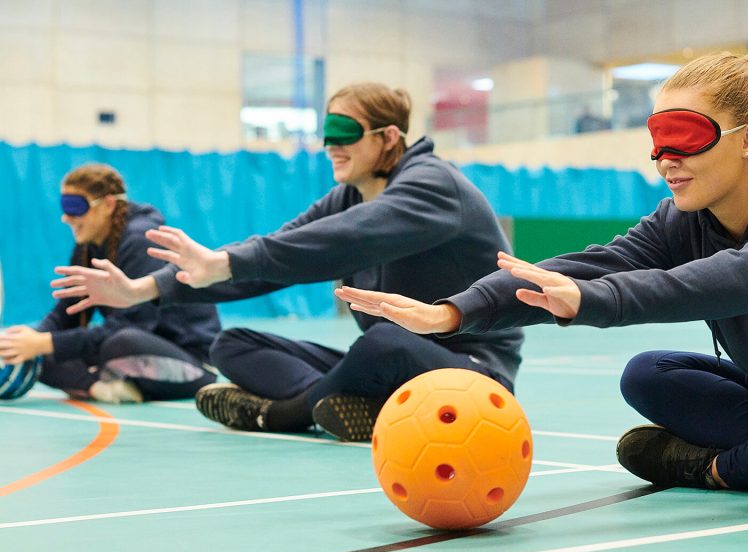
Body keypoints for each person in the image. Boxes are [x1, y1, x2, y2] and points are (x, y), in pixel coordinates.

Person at [333, 52, 748, 507]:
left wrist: (594, 302)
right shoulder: (684, 217)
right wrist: (453, 313)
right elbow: (579, 271)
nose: (664, 156)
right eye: (656, 136)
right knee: (648, 373)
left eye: (683, 134)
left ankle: (723, 468)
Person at [51, 84, 523, 439]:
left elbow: (343, 240)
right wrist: (145, 290)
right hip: (391, 366)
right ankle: (350, 405)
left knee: (384, 341)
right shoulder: (346, 196)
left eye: (345, 133)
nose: (330, 145)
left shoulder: (433, 186)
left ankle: (284, 414)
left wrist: (229, 262)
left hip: (473, 373)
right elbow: (274, 254)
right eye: (327, 133)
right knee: (232, 345)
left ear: (388, 137)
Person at [0, 164, 220, 403]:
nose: (66, 217)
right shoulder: (89, 245)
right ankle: (99, 388)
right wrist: (27, 341)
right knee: (38, 350)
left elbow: (132, 326)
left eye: (75, 207)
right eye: (64, 208)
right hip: (134, 355)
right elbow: (66, 314)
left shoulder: (141, 241)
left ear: (108, 204)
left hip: (191, 364)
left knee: (118, 343)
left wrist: (45, 342)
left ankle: (98, 382)